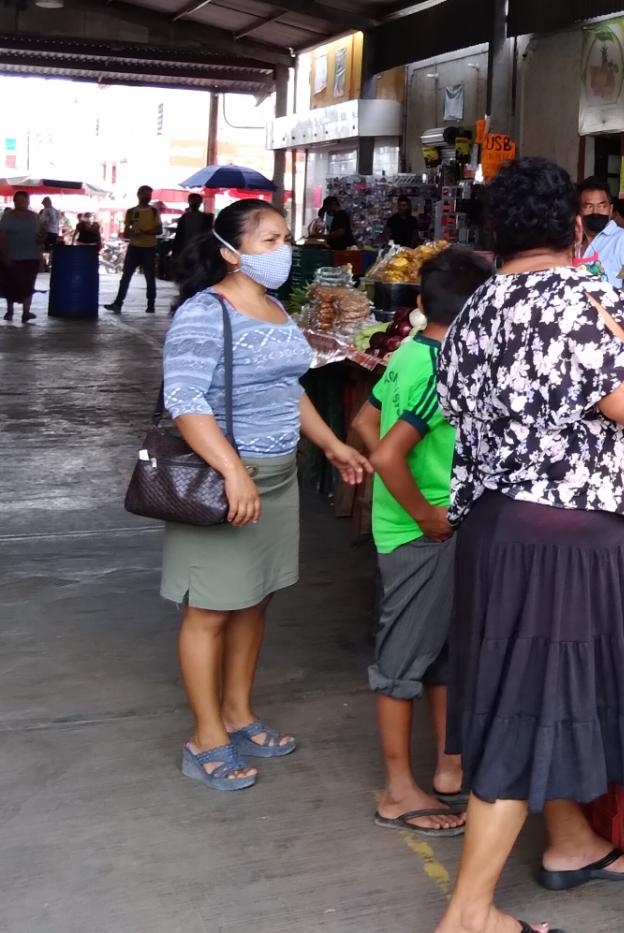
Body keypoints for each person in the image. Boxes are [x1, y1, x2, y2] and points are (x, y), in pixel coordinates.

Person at [433, 157, 624, 933]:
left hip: (496, 530)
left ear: (497, 234)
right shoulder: (577, 291)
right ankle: (468, 914)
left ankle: (571, 840)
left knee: (534, 692)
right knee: (523, 706)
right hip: (563, 537)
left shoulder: (476, 305)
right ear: (577, 230)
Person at [163, 198, 371, 791]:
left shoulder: (275, 307)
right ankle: (205, 737)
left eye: (284, 239)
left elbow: (290, 388)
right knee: (208, 609)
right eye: (269, 241)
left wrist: (331, 445)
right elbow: (186, 401)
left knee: (256, 599)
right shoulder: (206, 312)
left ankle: (238, 712)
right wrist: (232, 471)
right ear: (231, 251)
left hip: (278, 476)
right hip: (222, 479)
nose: (283, 251)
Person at [349, 247, 495, 840]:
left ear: (417, 305)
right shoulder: (444, 369)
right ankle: (397, 789)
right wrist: (424, 514)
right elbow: (385, 451)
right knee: (402, 663)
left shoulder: (411, 351)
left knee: (440, 654)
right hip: (421, 533)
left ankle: (447, 765)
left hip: (416, 524)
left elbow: (365, 421)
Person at [578, 176, 624, 289]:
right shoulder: (574, 244)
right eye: (589, 206)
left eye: (602, 206)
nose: (596, 212)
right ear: (579, 210)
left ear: (610, 209)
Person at [105, 185, 162, 314]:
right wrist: (131, 232)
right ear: (139, 195)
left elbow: (159, 230)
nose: (147, 197)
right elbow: (125, 233)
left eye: (149, 195)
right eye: (145, 194)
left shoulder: (154, 212)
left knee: (150, 277)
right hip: (134, 247)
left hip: (149, 248)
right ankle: (118, 303)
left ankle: (151, 305)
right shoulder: (131, 212)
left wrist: (144, 232)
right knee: (125, 277)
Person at [0, 191, 42, 322]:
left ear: (28, 202)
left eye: (24, 200)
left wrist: (41, 254)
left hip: (31, 256)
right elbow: (2, 236)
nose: (21, 202)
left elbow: (39, 237)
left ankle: (26, 312)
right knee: (10, 284)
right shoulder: (7, 216)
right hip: (12, 255)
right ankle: (10, 310)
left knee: (28, 284)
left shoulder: (35, 217)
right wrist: (4, 254)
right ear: (14, 202)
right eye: (19, 200)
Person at [173, 193, 213, 260]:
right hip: (191, 249)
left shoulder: (206, 218)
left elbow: (178, 236)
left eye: (196, 201)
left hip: (195, 249)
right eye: (193, 201)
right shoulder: (206, 218)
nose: (194, 203)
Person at [38, 196, 60, 267]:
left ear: (47, 202)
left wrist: (40, 229)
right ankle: (50, 264)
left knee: (44, 249)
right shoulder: (56, 211)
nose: (43, 205)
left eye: (43, 203)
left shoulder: (46, 210)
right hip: (55, 232)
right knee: (52, 250)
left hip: (47, 232)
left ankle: (44, 264)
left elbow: (43, 222)